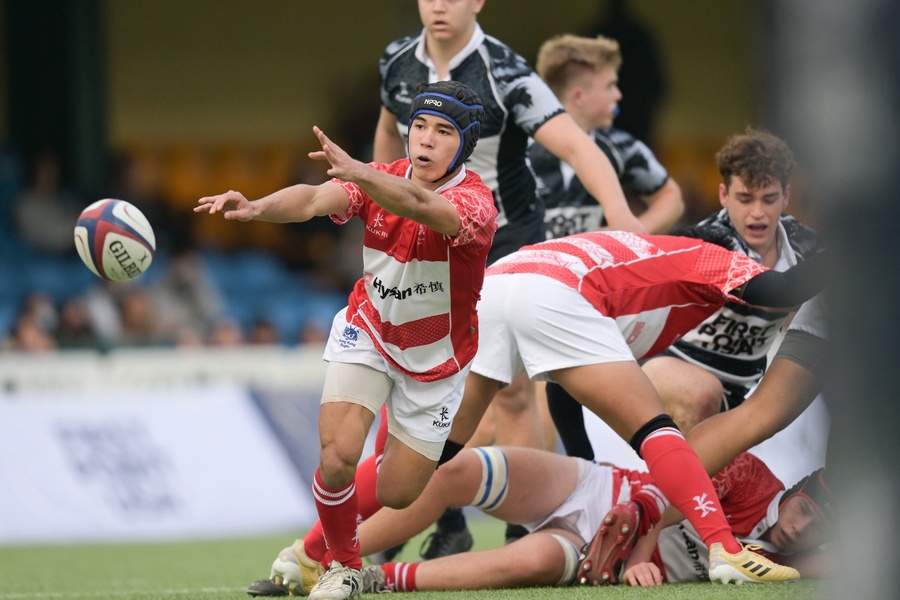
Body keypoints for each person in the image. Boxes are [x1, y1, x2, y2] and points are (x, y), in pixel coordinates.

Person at [196, 80, 497, 600]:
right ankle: (344, 565)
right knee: (335, 455)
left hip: (437, 359)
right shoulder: (377, 180)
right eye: (419, 126)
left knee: (397, 493)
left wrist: (361, 172)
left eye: (443, 131)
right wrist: (258, 207)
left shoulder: (476, 204)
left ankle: (310, 551)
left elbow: (423, 208)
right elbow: (314, 198)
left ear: (465, 143)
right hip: (369, 329)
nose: (424, 140)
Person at [375, 0, 651, 556]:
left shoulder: (507, 72)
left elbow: (576, 143)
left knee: (513, 393)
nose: (441, 5)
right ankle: (446, 522)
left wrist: (624, 222)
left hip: (502, 241)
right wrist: (382, 210)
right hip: (429, 246)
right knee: (420, 380)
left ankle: (519, 528)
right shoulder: (396, 62)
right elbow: (388, 134)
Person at [346, 448, 831, 591]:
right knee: (455, 470)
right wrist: (644, 551)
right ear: (795, 491)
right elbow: (671, 484)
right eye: (806, 510)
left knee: (523, 565)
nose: (801, 529)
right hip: (607, 491)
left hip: (598, 562)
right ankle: (329, 555)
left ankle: (369, 580)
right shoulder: (751, 475)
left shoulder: (810, 557)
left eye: (821, 529)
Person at [525, 32, 684, 465]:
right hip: (519, 296)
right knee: (520, 414)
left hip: (584, 301)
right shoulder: (516, 152)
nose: (619, 94)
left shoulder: (620, 146)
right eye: (611, 84)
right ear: (578, 94)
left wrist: (625, 242)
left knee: (549, 405)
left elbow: (671, 196)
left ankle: (573, 491)